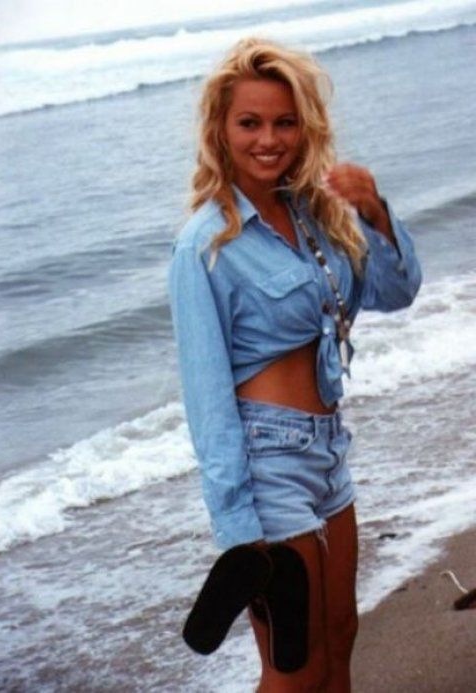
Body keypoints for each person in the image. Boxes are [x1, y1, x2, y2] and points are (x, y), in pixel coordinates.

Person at [169, 37, 421, 692]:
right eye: (249, 122)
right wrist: (238, 526)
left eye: (284, 122)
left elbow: (395, 291)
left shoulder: (316, 214)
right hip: (267, 462)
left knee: (341, 634)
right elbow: (206, 396)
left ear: (305, 127)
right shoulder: (205, 245)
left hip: (328, 451)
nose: (268, 139)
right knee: (295, 668)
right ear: (221, 131)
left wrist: (374, 210)